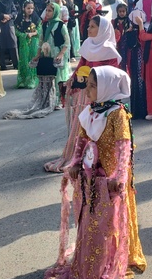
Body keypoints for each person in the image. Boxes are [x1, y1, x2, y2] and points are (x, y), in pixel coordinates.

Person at [42, 67, 146, 279]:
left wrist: (118, 177)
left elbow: (123, 149)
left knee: (106, 225)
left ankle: (105, 266)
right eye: (87, 84)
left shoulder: (117, 113)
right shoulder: (90, 111)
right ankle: (91, 264)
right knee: (89, 223)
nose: (87, 90)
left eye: (92, 86)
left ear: (107, 88)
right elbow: (81, 142)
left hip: (109, 181)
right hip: (89, 178)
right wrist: (75, 163)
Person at [43, 15, 121, 172]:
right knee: (81, 125)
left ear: (103, 29)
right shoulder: (87, 44)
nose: (88, 29)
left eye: (92, 26)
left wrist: (96, 83)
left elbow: (112, 75)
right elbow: (81, 64)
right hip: (83, 93)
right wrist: (71, 80)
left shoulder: (109, 50)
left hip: (99, 96)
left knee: (96, 126)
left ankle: (96, 156)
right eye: (89, 26)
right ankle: (78, 154)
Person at [15, 0, 40, 89]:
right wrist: (24, 35)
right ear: (24, 8)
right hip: (23, 42)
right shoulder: (19, 19)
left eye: (32, 8)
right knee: (24, 60)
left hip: (33, 42)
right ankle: (23, 80)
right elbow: (16, 31)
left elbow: (39, 30)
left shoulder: (36, 18)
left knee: (32, 59)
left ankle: (32, 79)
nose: (30, 10)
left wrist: (32, 34)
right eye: (28, 8)